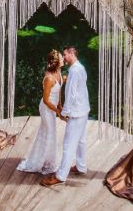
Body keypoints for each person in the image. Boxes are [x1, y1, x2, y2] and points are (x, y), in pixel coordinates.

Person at [40, 46, 90, 186]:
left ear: (72, 53)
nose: (64, 57)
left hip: (76, 113)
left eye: (65, 54)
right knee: (81, 140)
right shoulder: (81, 67)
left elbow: (72, 95)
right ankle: (81, 166)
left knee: (68, 145)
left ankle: (61, 176)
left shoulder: (74, 71)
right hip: (84, 109)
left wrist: (64, 112)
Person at [17, 49, 63, 174]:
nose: (63, 58)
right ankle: (39, 162)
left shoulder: (59, 72)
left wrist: (60, 106)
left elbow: (58, 93)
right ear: (57, 62)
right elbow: (46, 100)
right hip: (46, 108)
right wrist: (58, 111)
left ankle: (48, 160)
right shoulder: (48, 78)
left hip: (53, 107)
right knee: (49, 132)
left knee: (50, 132)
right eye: (61, 57)